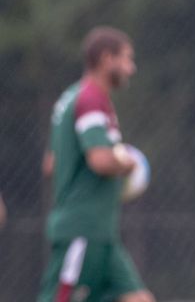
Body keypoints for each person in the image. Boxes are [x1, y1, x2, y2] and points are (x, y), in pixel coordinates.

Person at [37, 27, 155, 302]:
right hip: (82, 230)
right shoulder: (91, 99)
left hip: (100, 232)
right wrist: (128, 165)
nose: (131, 68)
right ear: (105, 58)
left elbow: (51, 163)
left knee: (138, 298)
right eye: (126, 59)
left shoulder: (71, 97)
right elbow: (100, 160)